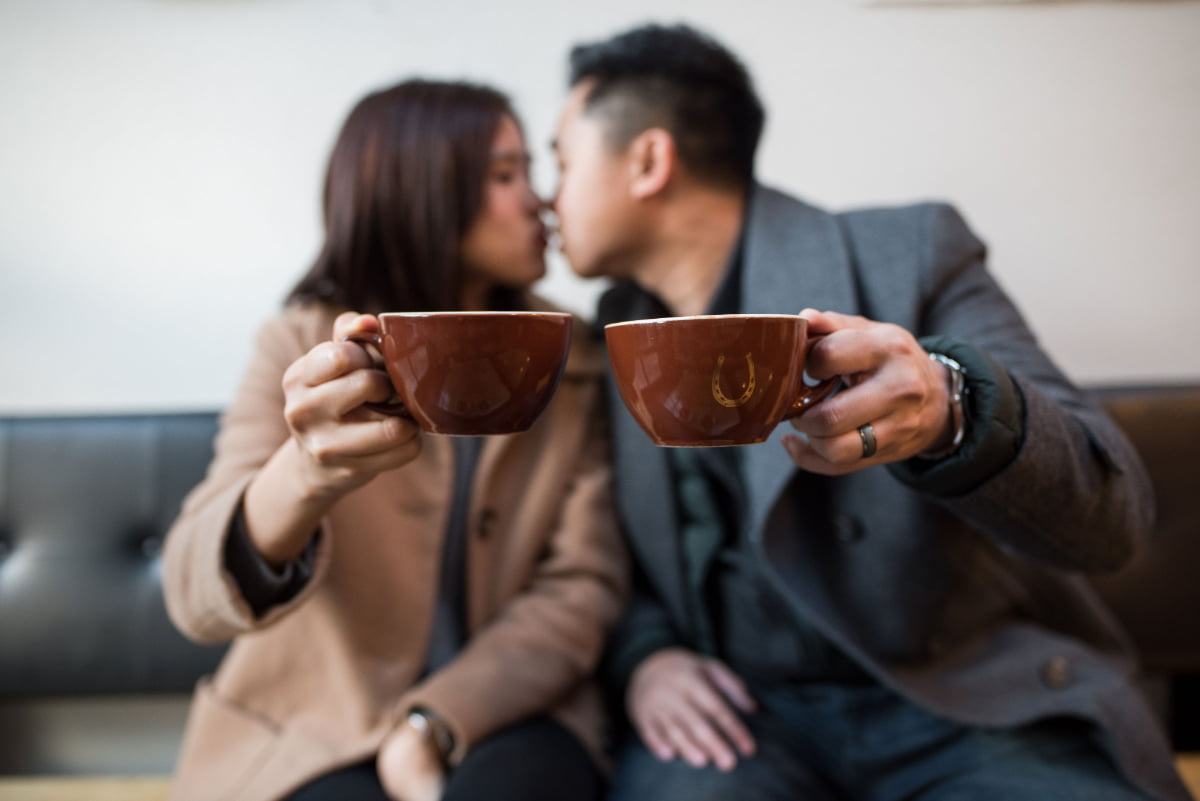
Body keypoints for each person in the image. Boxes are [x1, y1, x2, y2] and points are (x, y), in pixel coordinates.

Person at [550, 22, 1193, 801]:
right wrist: (645, 655)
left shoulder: (911, 254)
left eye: (561, 158)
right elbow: (591, 554)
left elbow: (1113, 513)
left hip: (961, 705)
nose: (550, 197)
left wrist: (955, 408)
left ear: (648, 160)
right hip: (739, 720)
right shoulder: (603, 338)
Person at [162, 79, 627, 801]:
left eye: (530, 171)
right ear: (423, 192)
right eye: (507, 175)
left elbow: (581, 585)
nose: (537, 199)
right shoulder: (299, 344)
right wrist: (307, 471)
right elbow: (194, 597)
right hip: (308, 724)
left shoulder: (577, 357)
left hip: (514, 708)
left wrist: (431, 722)